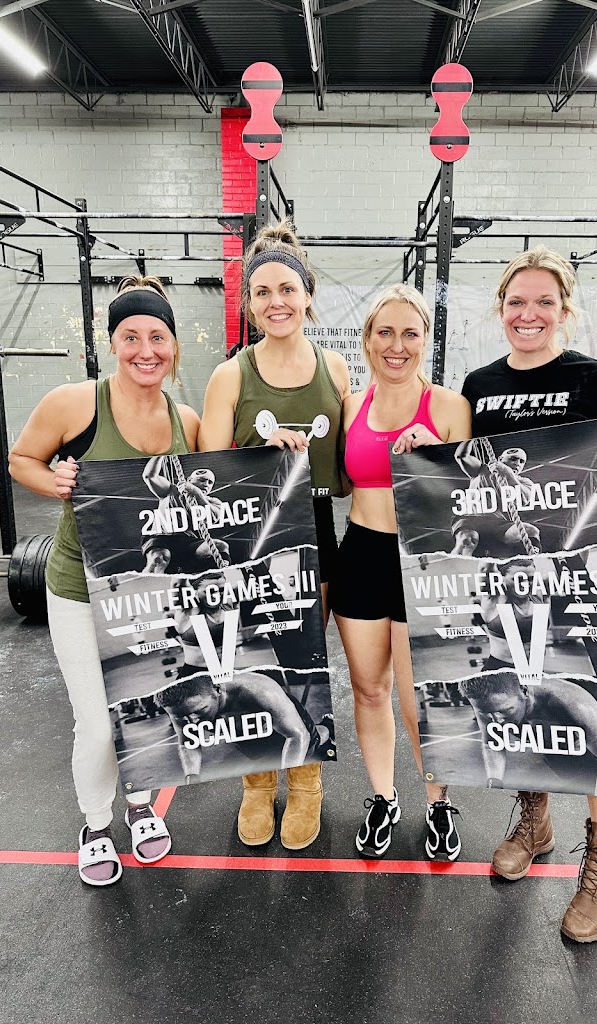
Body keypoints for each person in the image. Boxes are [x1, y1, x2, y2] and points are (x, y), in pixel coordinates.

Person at [461, 245, 597, 941]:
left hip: (588, 574)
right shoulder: (478, 386)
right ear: (500, 309)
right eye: (516, 302)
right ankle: (535, 820)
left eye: (544, 302)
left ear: (565, 309)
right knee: (521, 692)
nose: (528, 314)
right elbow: (466, 484)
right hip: (511, 578)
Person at [9, 275, 199, 887]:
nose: (146, 350)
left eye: (158, 337)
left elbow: (216, 488)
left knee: (144, 706)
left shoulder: (187, 421)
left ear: (174, 346)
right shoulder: (74, 404)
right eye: (131, 336)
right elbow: (21, 460)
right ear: (112, 342)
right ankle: (96, 825)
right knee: (94, 722)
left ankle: (141, 805)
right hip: (78, 588)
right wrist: (54, 482)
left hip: (150, 594)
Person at [198, 220, 350, 851]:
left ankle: (307, 779)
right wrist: (261, 456)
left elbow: (356, 459)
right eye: (263, 292)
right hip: (247, 536)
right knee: (251, 659)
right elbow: (207, 470)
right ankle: (257, 782)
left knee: (304, 659)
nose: (276, 301)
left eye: (287, 289)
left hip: (315, 527)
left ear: (308, 296)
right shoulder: (230, 376)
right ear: (249, 303)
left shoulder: (336, 368)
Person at [330, 283, 472, 860]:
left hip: (425, 559)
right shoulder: (350, 406)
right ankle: (384, 797)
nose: (396, 345)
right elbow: (338, 482)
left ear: (425, 340)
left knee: (421, 700)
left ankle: (438, 803)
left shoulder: (449, 407)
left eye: (409, 333)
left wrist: (437, 453)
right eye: (384, 332)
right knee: (369, 690)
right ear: (367, 340)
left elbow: (472, 496)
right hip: (362, 554)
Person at [155, 574, 333, 783]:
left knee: (308, 742)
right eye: (209, 590)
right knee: (261, 752)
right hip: (201, 677)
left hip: (236, 686)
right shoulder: (187, 614)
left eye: (220, 589)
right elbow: (187, 742)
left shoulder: (258, 689)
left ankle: (327, 726)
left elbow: (298, 736)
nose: (216, 594)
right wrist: (191, 778)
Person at [464, 670, 597, 805]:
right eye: (486, 714)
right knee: (581, 786)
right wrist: (494, 783)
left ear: (524, 691)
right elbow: (491, 743)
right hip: (559, 751)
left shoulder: (572, 701)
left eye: (505, 711)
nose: (496, 721)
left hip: (595, 744)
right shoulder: (489, 703)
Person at [140, 455, 228, 573]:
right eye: (202, 480)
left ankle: (225, 574)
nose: (206, 484)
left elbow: (212, 517)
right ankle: (150, 580)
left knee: (220, 546)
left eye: (210, 482)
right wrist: (161, 453)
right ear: (189, 480)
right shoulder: (171, 491)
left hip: (187, 542)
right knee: (159, 557)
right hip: (161, 537)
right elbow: (149, 476)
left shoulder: (214, 502)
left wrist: (196, 493)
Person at [451, 443, 541, 556]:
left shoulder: (524, 482)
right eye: (513, 459)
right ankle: (458, 560)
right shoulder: (481, 470)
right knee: (467, 539)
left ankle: (534, 559)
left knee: (531, 531)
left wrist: (507, 473)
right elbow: (461, 456)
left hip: (498, 524)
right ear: (500, 459)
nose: (517, 464)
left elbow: (523, 498)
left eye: (522, 461)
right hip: (471, 518)